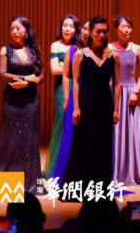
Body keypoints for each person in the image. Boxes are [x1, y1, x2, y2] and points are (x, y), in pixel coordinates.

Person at [0, 16, 43, 195]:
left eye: (18, 28)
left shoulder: (33, 49)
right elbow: (3, 73)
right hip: (12, 101)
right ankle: (9, 186)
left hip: (30, 101)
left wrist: (31, 81)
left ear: (26, 31)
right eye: (12, 28)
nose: (14, 32)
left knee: (30, 141)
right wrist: (24, 79)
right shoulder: (5, 49)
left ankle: (30, 183)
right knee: (11, 140)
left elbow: (40, 75)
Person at [61, 17, 120, 201]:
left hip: (105, 105)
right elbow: (76, 82)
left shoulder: (114, 55)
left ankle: (101, 191)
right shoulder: (81, 54)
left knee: (103, 147)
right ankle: (80, 190)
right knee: (83, 145)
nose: (102, 35)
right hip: (86, 104)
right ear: (91, 33)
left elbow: (117, 84)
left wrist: (116, 109)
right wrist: (76, 107)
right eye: (98, 32)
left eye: (105, 31)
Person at [45, 14, 79, 178]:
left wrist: (63, 66)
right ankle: (56, 168)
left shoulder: (79, 46)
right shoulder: (56, 45)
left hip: (79, 88)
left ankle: (72, 167)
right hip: (61, 90)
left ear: (76, 29)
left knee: (75, 126)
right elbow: (54, 70)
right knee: (61, 125)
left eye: (71, 26)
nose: (68, 29)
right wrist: (73, 68)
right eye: (65, 25)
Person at [109, 15, 140, 186]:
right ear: (116, 29)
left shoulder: (136, 48)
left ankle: (131, 172)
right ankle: (114, 172)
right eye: (123, 26)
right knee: (114, 133)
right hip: (113, 93)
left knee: (132, 134)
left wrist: (136, 91)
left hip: (130, 94)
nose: (127, 29)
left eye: (129, 26)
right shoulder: (109, 48)